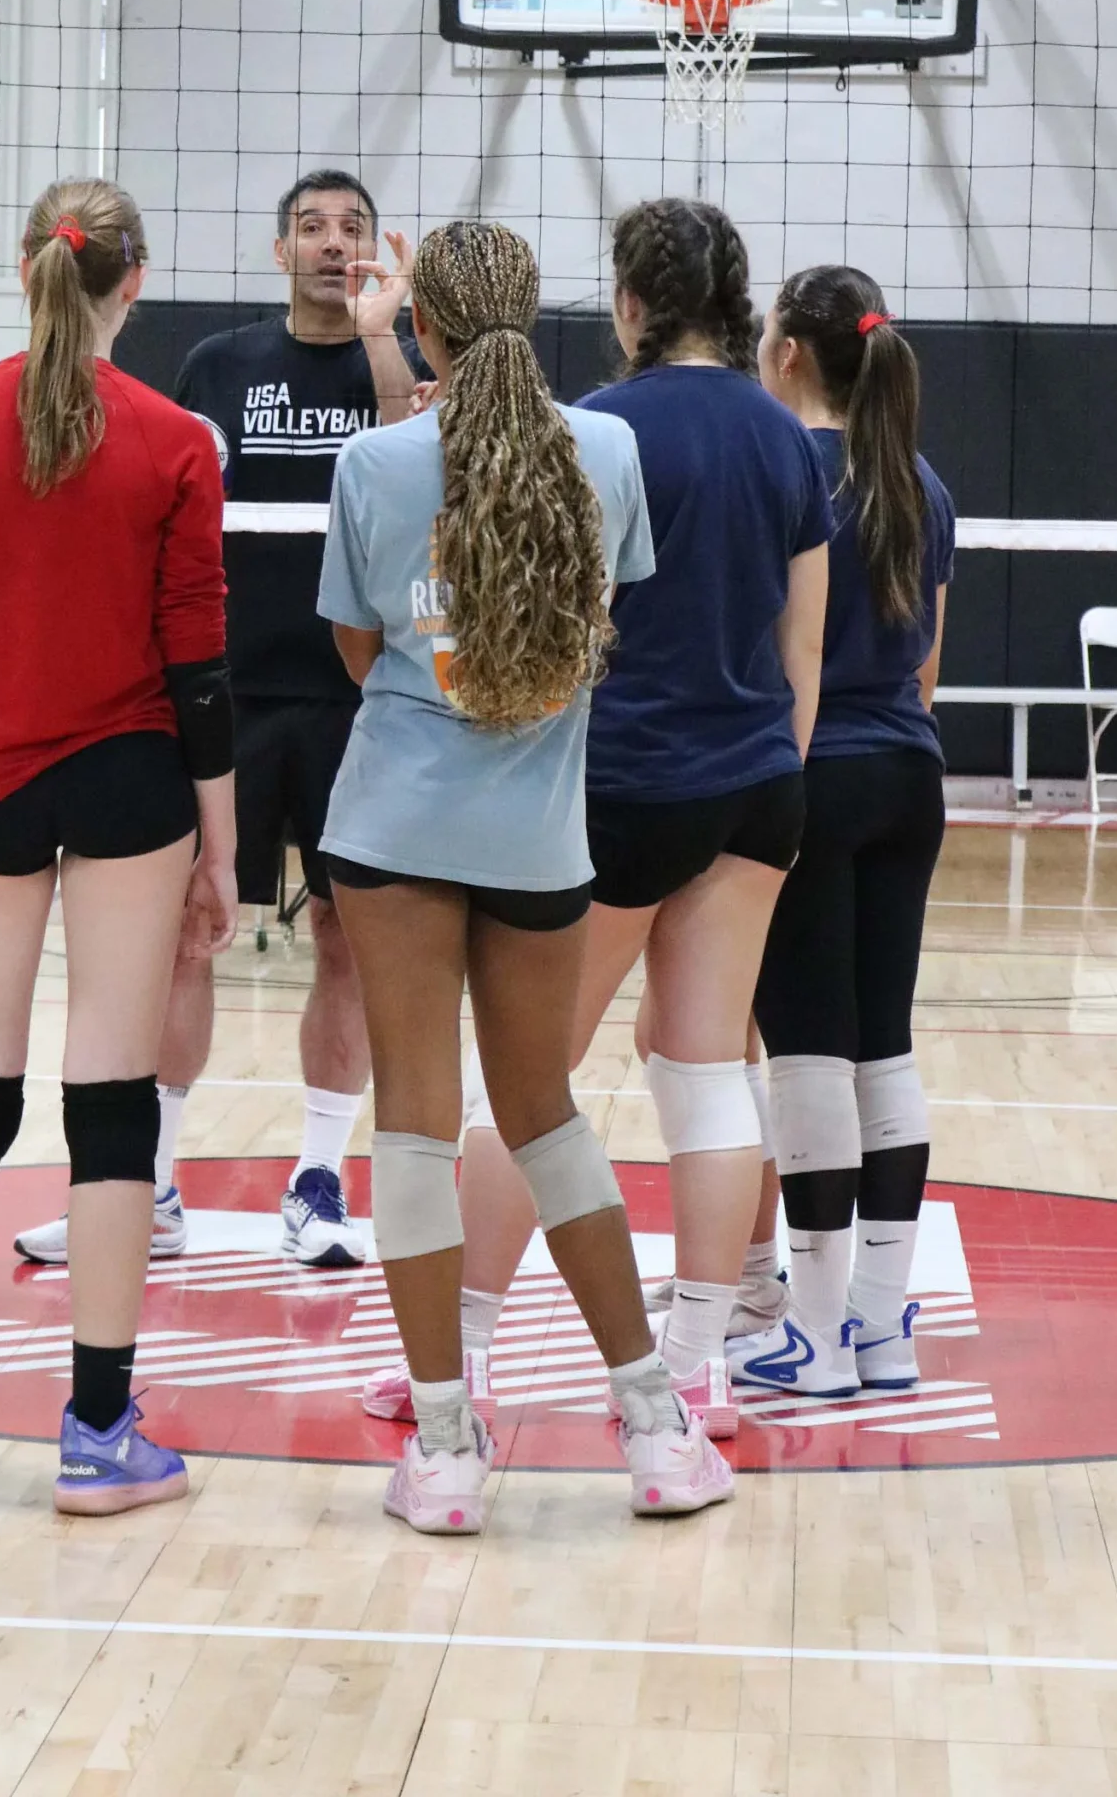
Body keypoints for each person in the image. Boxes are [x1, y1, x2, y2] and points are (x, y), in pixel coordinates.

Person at [367, 199, 829, 1439]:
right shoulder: (789, 441)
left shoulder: (600, 427)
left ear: (629, 302)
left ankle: (452, 1354)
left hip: (623, 785)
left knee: (530, 1090)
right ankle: (695, 1374)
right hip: (757, 785)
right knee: (705, 1077)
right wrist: (763, 781)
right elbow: (805, 651)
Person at [322, 217, 733, 1534]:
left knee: (411, 1127)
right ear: (538, 312)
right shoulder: (605, 448)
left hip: (392, 826)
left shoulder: (375, 462)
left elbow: (356, 651)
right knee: (544, 1118)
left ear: (423, 328)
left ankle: (444, 1453)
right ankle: (655, 1434)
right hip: (540, 842)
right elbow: (595, 623)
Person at [0, 178, 234, 1518]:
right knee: (110, 1097)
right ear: (129, 286)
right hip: (131, 778)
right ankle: (94, 1431)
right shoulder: (172, 438)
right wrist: (221, 845)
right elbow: (197, 663)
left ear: (23, 268)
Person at [12, 168, 416, 1275]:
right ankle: (152, 1187)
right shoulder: (215, 367)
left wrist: (388, 339)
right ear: (277, 247)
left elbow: (409, 461)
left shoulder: (402, 366)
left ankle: (319, 1181)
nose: (334, 244)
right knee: (187, 936)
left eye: (354, 230)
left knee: (347, 939)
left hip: (357, 701)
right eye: (312, 227)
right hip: (224, 698)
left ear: (382, 252)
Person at [738, 265, 952, 1396]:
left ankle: (812, 1336)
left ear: (786, 356)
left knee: (809, 1051)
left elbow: (777, 652)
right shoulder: (923, 482)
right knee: (886, 1045)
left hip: (812, 775)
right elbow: (926, 674)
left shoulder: (779, 472)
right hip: (910, 783)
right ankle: (880, 1325)